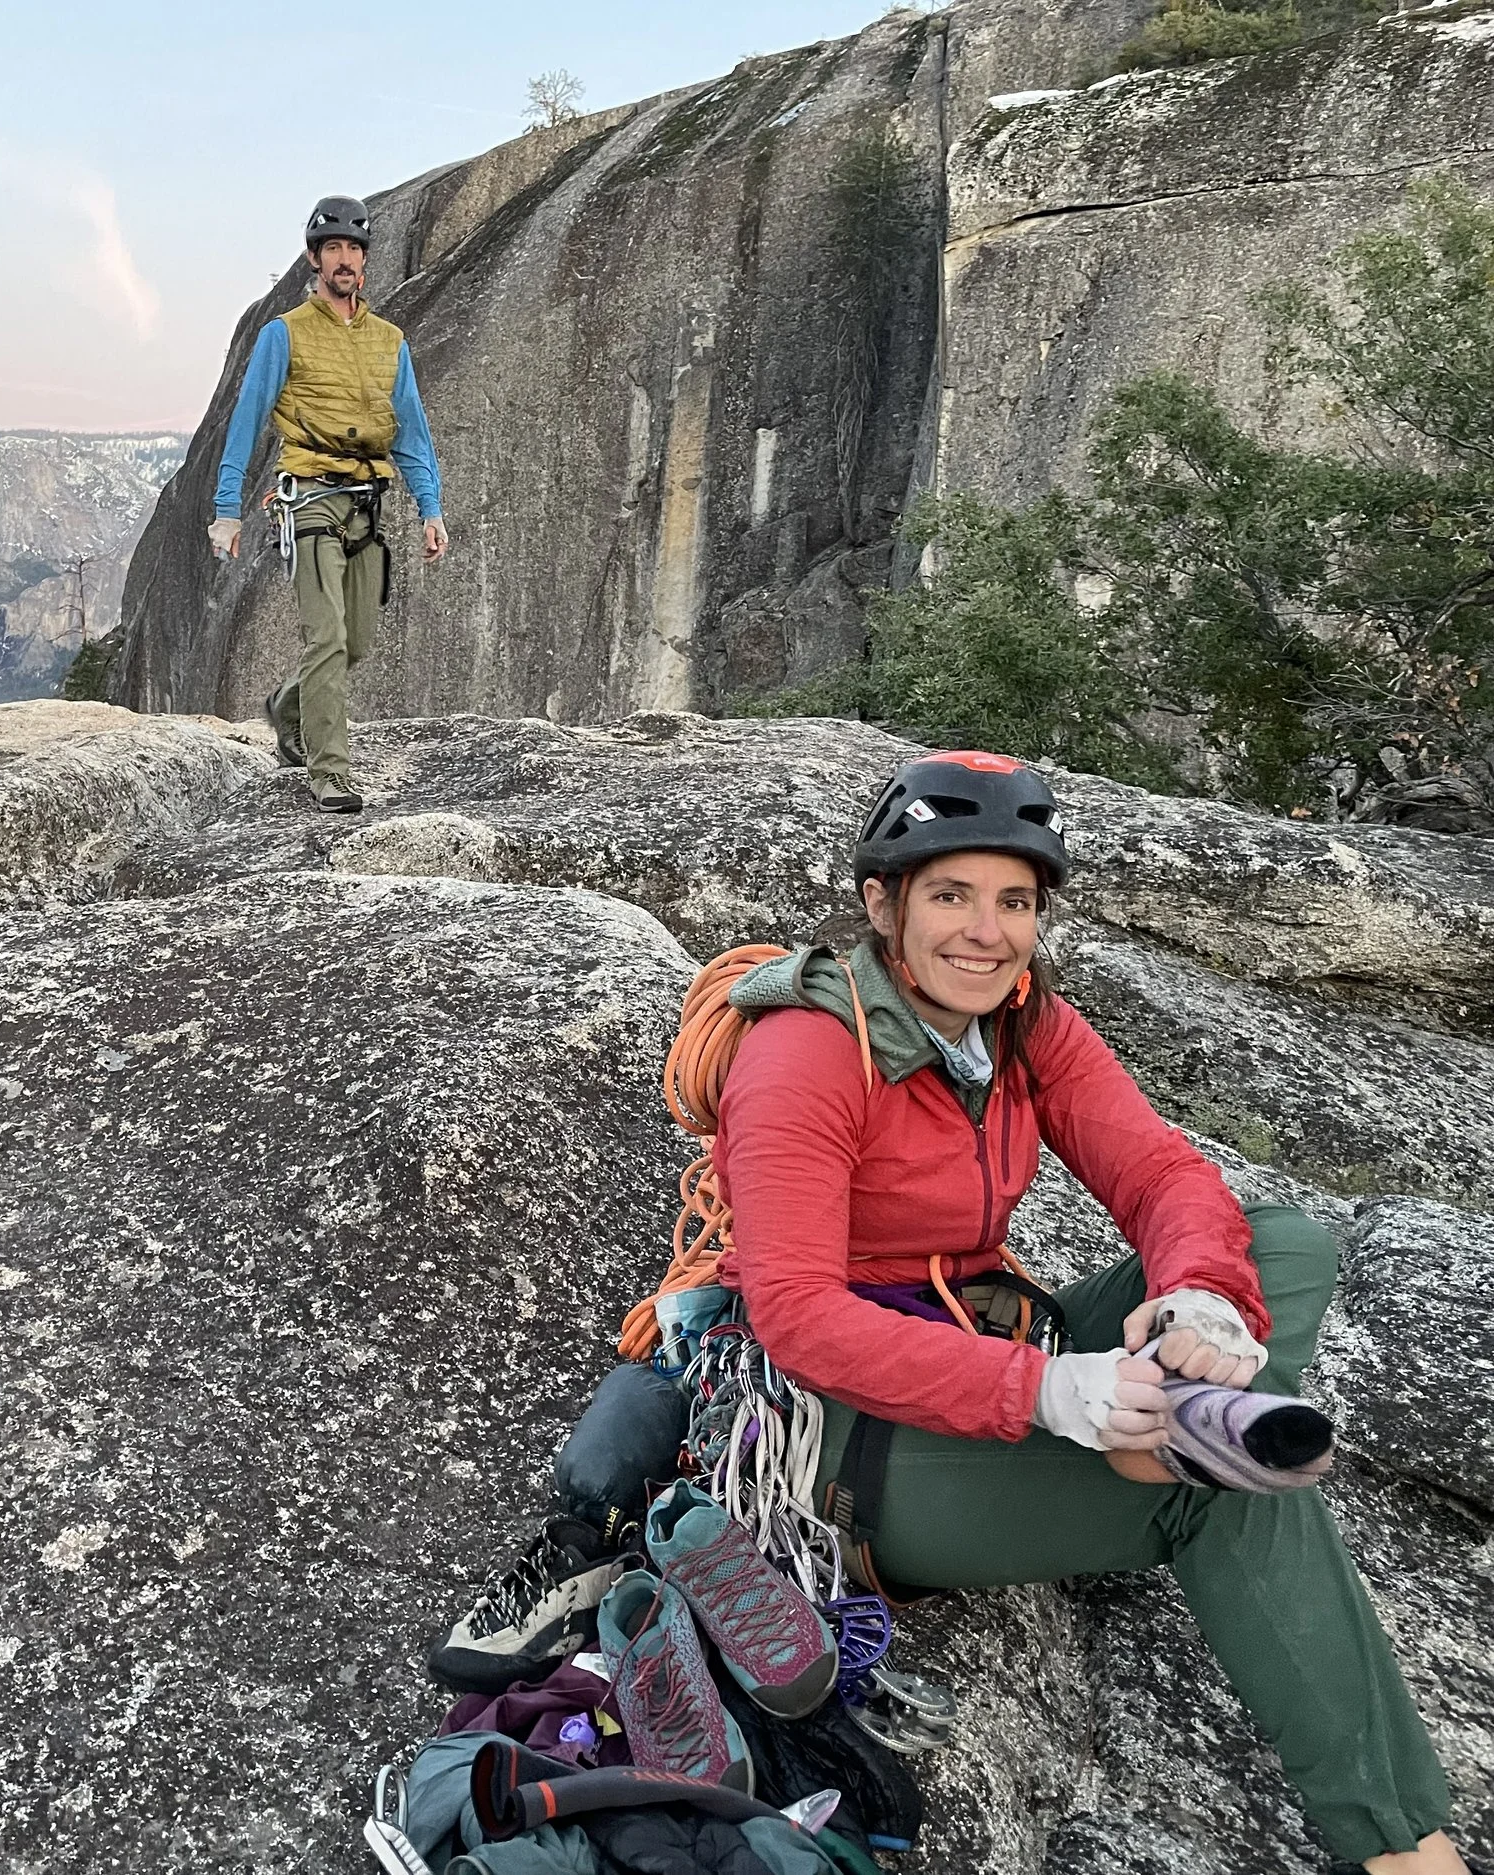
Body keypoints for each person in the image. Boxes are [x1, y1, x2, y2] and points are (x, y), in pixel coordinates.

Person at [428, 752, 1464, 1875]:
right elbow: (798, 1318)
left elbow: (1163, 1175)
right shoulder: (807, 1051)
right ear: (883, 906)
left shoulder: (1024, 1027)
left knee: (1282, 1246)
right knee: (1231, 1507)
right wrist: (1051, 1394)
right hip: (836, 1445)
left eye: (1012, 900)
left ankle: (1161, 1432)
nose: (986, 931)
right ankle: (1405, 1850)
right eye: (950, 895)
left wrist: (1195, 1298)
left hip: (973, 1344)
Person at [207, 194, 448, 815]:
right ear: (315, 259)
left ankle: (285, 709)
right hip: (309, 499)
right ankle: (328, 772)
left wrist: (431, 509)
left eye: (354, 249)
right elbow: (247, 420)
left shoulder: (389, 341)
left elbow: (412, 433)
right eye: (333, 248)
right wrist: (226, 510)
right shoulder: (283, 334)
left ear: (365, 261)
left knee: (357, 643)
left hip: (368, 504)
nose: (345, 260)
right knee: (328, 637)